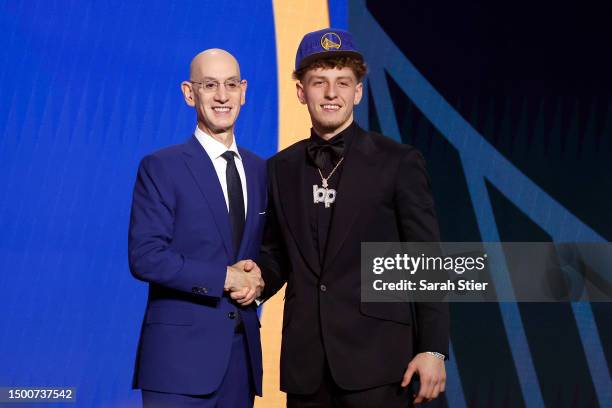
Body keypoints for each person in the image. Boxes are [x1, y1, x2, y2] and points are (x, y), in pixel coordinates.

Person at [257, 29, 450, 407]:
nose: (332, 94)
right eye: (319, 83)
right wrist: (255, 278)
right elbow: (276, 254)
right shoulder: (280, 168)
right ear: (301, 92)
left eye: (343, 83)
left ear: (357, 92)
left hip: (379, 364)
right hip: (306, 366)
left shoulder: (398, 162)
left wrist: (433, 349)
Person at [128, 49, 266, 408]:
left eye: (231, 85)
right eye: (210, 85)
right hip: (177, 366)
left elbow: (261, 251)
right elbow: (146, 257)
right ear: (190, 93)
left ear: (244, 91)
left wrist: (259, 278)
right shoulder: (161, 166)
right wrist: (226, 277)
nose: (222, 96)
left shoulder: (260, 169)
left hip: (241, 363)